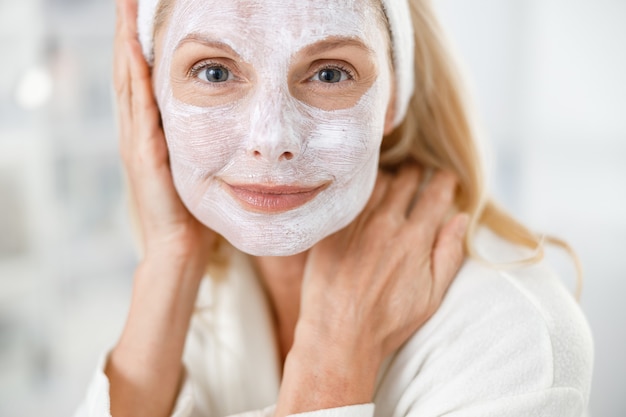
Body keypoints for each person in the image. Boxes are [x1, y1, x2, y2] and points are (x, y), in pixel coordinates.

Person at [75, 0, 593, 416]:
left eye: (329, 74)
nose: (270, 138)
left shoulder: (514, 339)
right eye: (214, 72)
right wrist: (171, 257)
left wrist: (329, 371)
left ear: (393, 99)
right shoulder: (197, 289)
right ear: (151, 97)